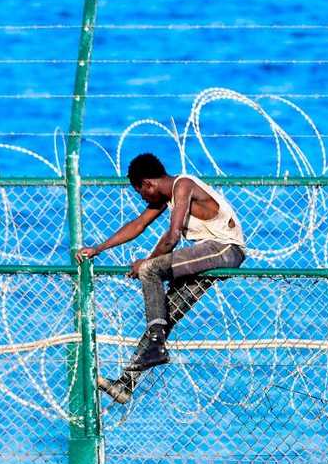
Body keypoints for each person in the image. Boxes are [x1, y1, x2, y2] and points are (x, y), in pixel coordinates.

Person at [76, 153, 247, 403]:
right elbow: (138, 225)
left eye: (140, 193)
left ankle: (156, 345)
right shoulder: (166, 197)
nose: (143, 199)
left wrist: (147, 263)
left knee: (150, 271)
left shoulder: (183, 186)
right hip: (206, 254)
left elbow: (172, 237)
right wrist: (98, 249)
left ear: (148, 184)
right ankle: (126, 383)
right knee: (164, 314)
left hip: (224, 249)